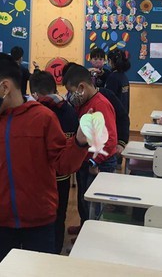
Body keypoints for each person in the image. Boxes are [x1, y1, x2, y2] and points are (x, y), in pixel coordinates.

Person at [0, 52, 89, 267]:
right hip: (2, 221)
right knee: (5, 270)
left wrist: (79, 143)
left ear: (5, 87)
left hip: (40, 221)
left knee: (38, 271)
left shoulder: (43, 118)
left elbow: (63, 164)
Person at [62, 64, 118, 233]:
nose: (70, 96)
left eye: (71, 91)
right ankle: (84, 227)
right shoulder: (85, 103)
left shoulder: (100, 104)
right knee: (83, 199)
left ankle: (92, 234)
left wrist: (94, 161)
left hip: (99, 162)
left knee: (94, 203)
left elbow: (110, 141)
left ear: (81, 87)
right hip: (86, 160)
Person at [29, 70, 79, 254]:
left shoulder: (35, 113)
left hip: (41, 177)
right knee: (59, 216)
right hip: (63, 175)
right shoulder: (70, 110)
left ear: (34, 94)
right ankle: (55, 251)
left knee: (39, 218)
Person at [105, 49, 130, 115]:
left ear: (110, 61)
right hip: (123, 114)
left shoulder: (113, 77)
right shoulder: (124, 76)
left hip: (115, 115)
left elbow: (108, 97)